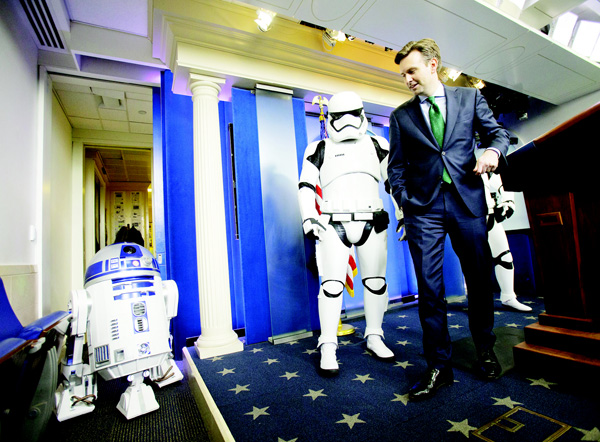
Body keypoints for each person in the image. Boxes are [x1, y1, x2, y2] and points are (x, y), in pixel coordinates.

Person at [388, 38, 510, 401]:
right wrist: (405, 200)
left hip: (466, 203)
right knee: (429, 289)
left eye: (412, 70)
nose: (407, 78)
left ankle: (485, 349)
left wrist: (491, 150)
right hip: (423, 210)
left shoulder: (469, 99)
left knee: (479, 279)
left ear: (432, 65)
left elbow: (498, 134)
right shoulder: (400, 116)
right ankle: (439, 367)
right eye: (403, 74)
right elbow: (395, 168)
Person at [298, 91, 397, 376]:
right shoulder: (318, 148)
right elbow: (305, 185)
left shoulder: (378, 144)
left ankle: (375, 334)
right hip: (332, 222)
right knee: (331, 286)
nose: (348, 122)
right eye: (340, 117)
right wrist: (309, 217)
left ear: (363, 114)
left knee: (376, 282)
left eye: (354, 114)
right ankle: (327, 343)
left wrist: (404, 215)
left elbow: (393, 182)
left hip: (372, 220)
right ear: (330, 119)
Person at [483, 173, 532, 312]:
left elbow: (504, 180)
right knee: (474, 261)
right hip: (468, 212)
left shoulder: (494, 155)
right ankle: (479, 301)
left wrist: (507, 202)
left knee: (504, 256)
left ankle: (508, 296)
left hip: (489, 212)